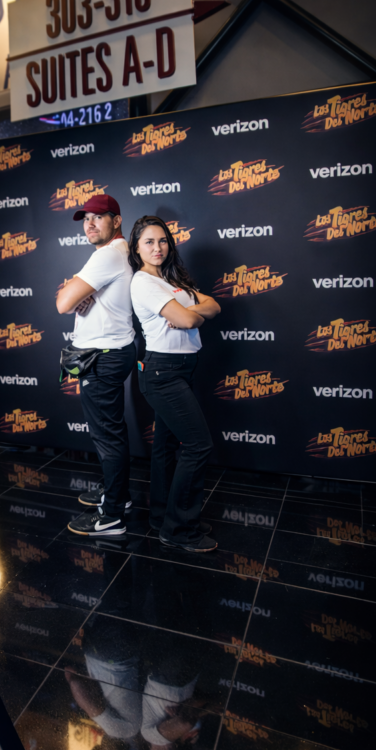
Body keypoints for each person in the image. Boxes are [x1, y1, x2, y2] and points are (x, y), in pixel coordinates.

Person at [128, 216, 220, 552]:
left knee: (166, 447)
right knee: (197, 445)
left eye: (163, 240)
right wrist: (193, 312)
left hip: (182, 369)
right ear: (137, 248)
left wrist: (193, 311)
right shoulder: (143, 283)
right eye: (149, 242)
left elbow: (214, 304)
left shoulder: (171, 281)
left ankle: (162, 516)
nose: (157, 247)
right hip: (163, 372)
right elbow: (188, 317)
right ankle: (179, 529)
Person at [56, 194, 136, 537]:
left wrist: (71, 289)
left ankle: (112, 515)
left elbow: (62, 302)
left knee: (107, 436)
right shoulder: (113, 254)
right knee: (110, 432)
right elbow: (71, 295)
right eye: (85, 218)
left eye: (98, 217)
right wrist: (74, 290)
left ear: (116, 221)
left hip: (103, 356)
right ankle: (118, 495)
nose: (89, 223)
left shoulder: (108, 255)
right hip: (106, 353)